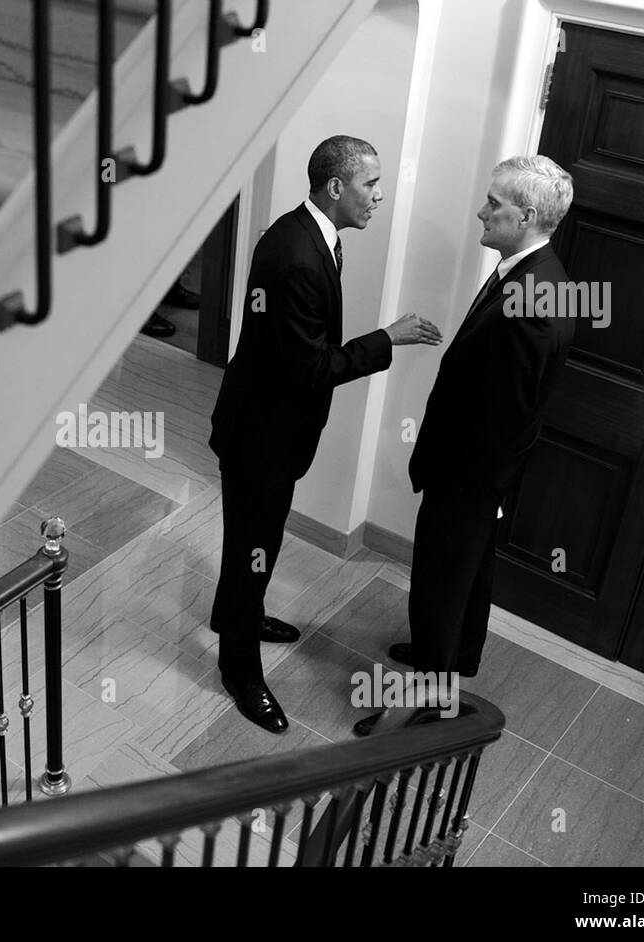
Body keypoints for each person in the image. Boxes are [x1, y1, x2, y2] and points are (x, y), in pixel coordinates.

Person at [208, 135, 442, 734]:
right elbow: (312, 369)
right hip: (259, 436)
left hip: (271, 429)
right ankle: (240, 668)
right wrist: (388, 338)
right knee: (248, 549)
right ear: (335, 187)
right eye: (371, 184)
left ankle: (245, 614)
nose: (379, 195)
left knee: (257, 543)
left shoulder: (309, 236)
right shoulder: (297, 256)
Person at [354, 155, 576, 737]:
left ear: (527, 215)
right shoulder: (531, 270)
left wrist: (475, 488)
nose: (482, 210)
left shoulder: (535, 297)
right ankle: (453, 662)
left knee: (439, 585)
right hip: (476, 475)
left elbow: (508, 414)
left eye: (494, 204)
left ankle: (421, 708)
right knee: (467, 579)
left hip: (469, 476)